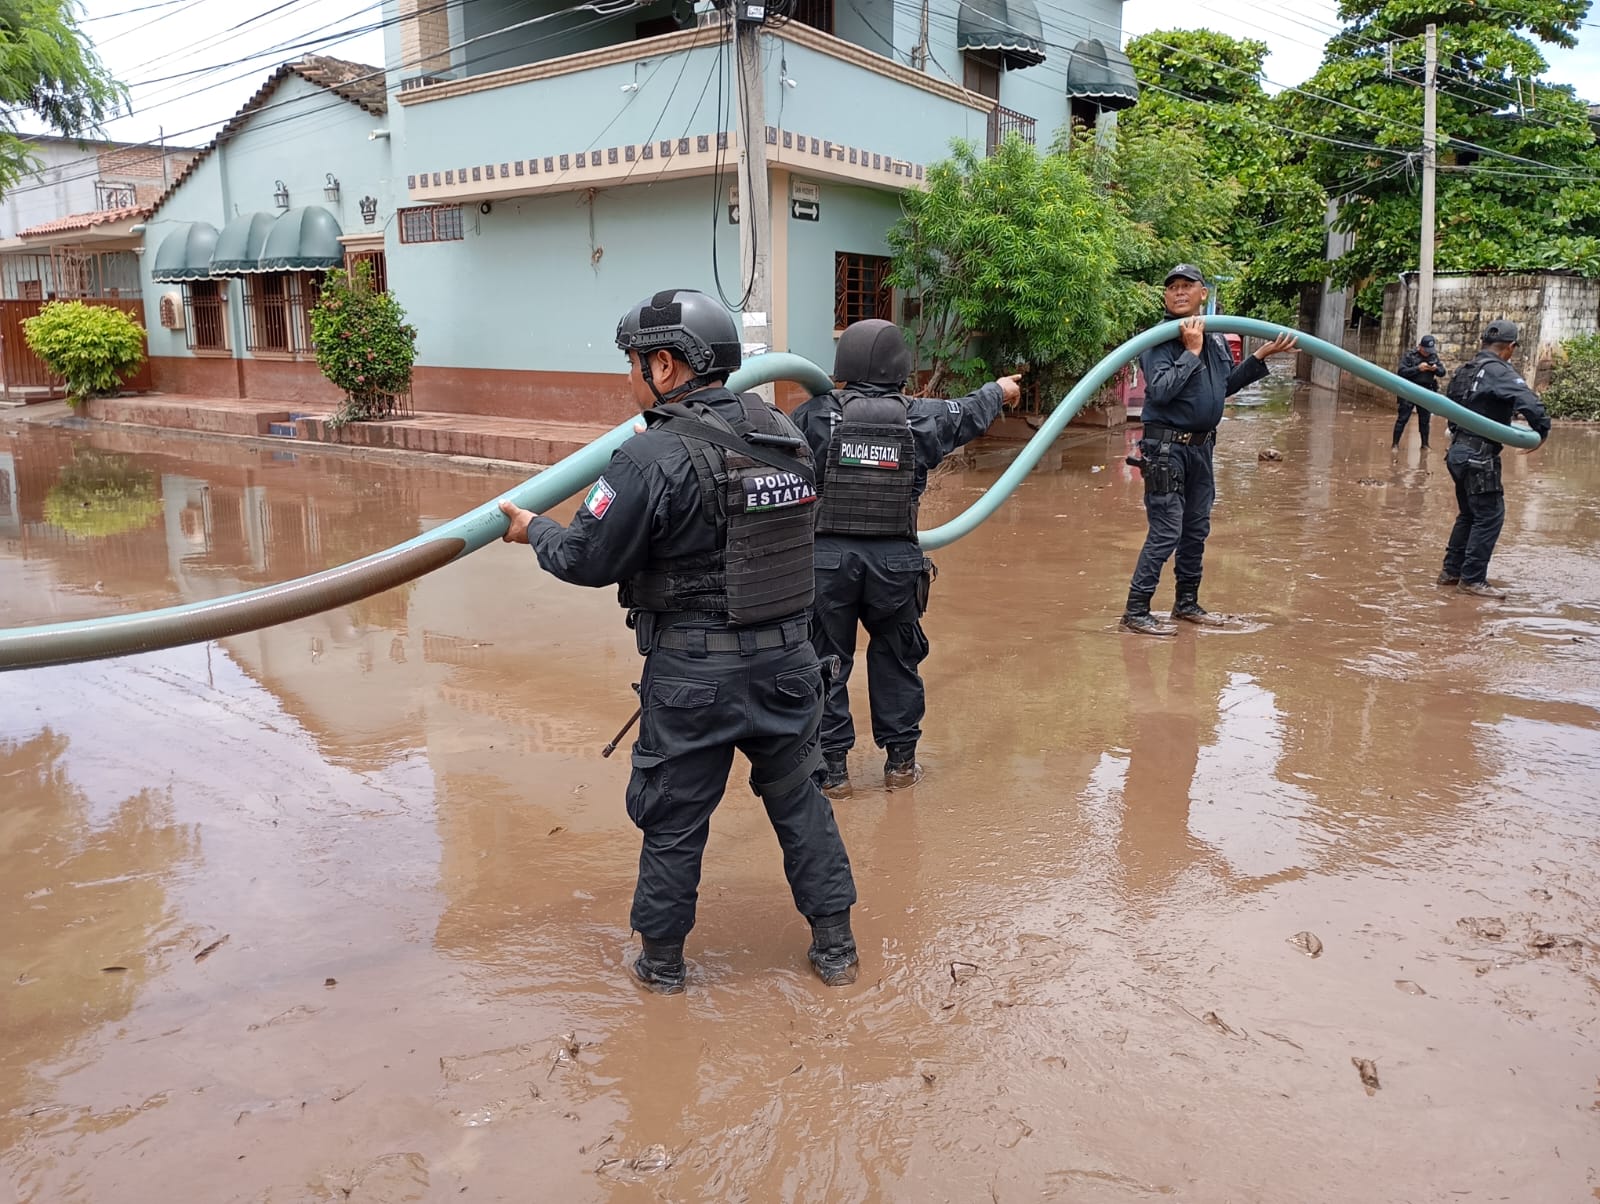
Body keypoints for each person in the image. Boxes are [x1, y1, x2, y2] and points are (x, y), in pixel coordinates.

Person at [496, 288, 859, 994]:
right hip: (789, 663)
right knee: (801, 802)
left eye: (632, 363)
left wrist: (532, 529)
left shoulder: (649, 457)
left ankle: (662, 970)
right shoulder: (789, 434)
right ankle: (837, 951)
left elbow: (585, 559)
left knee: (674, 820)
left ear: (663, 365)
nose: (628, 378)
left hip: (694, 678)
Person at [790, 320, 1020, 797]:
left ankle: (833, 773)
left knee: (826, 661)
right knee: (897, 659)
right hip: (895, 564)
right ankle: (899, 766)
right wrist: (998, 391)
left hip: (827, 563)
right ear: (899, 367)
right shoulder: (922, 417)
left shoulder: (814, 416)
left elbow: (763, 445)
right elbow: (971, 411)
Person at [1120, 264, 1299, 636]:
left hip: (1201, 450)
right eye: (1173, 288)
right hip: (1166, 449)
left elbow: (1222, 387)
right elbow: (1163, 389)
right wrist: (1190, 350)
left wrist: (1259, 357)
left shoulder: (1215, 337)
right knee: (1167, 530)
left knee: (1195, 529)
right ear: (1165, 297)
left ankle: (1186, 603)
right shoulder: (1159, 339)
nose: (1180, 293)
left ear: (1204, 293)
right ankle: (1136, 611)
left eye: (1188, 286)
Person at [1437, 318, 1551, 599]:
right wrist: (1541, 432)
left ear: (1483, 343)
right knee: (1490, 516)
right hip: (1479, 455)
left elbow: (1451, 407)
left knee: (1469, 513)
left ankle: (1451, 572)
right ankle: (1472, 580)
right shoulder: (1499, 371)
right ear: (1510, 348)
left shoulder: (1465, 370)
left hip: (1458, 452)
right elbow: (1532, 404)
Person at [1394, 334, 1445, 452]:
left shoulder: (1433, 356)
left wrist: (1435, 369)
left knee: (1425, 420)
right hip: (1409, 391)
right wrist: (1418, 369)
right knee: (1403, 418)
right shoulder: (1410, 355)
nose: (1427, 353)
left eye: (1429, 351)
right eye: (1425, 350)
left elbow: (1443, 372)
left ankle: (1425, 445)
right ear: (1420, 347)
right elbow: (1401, 372)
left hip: (1426, 391)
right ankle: (1395, 444)